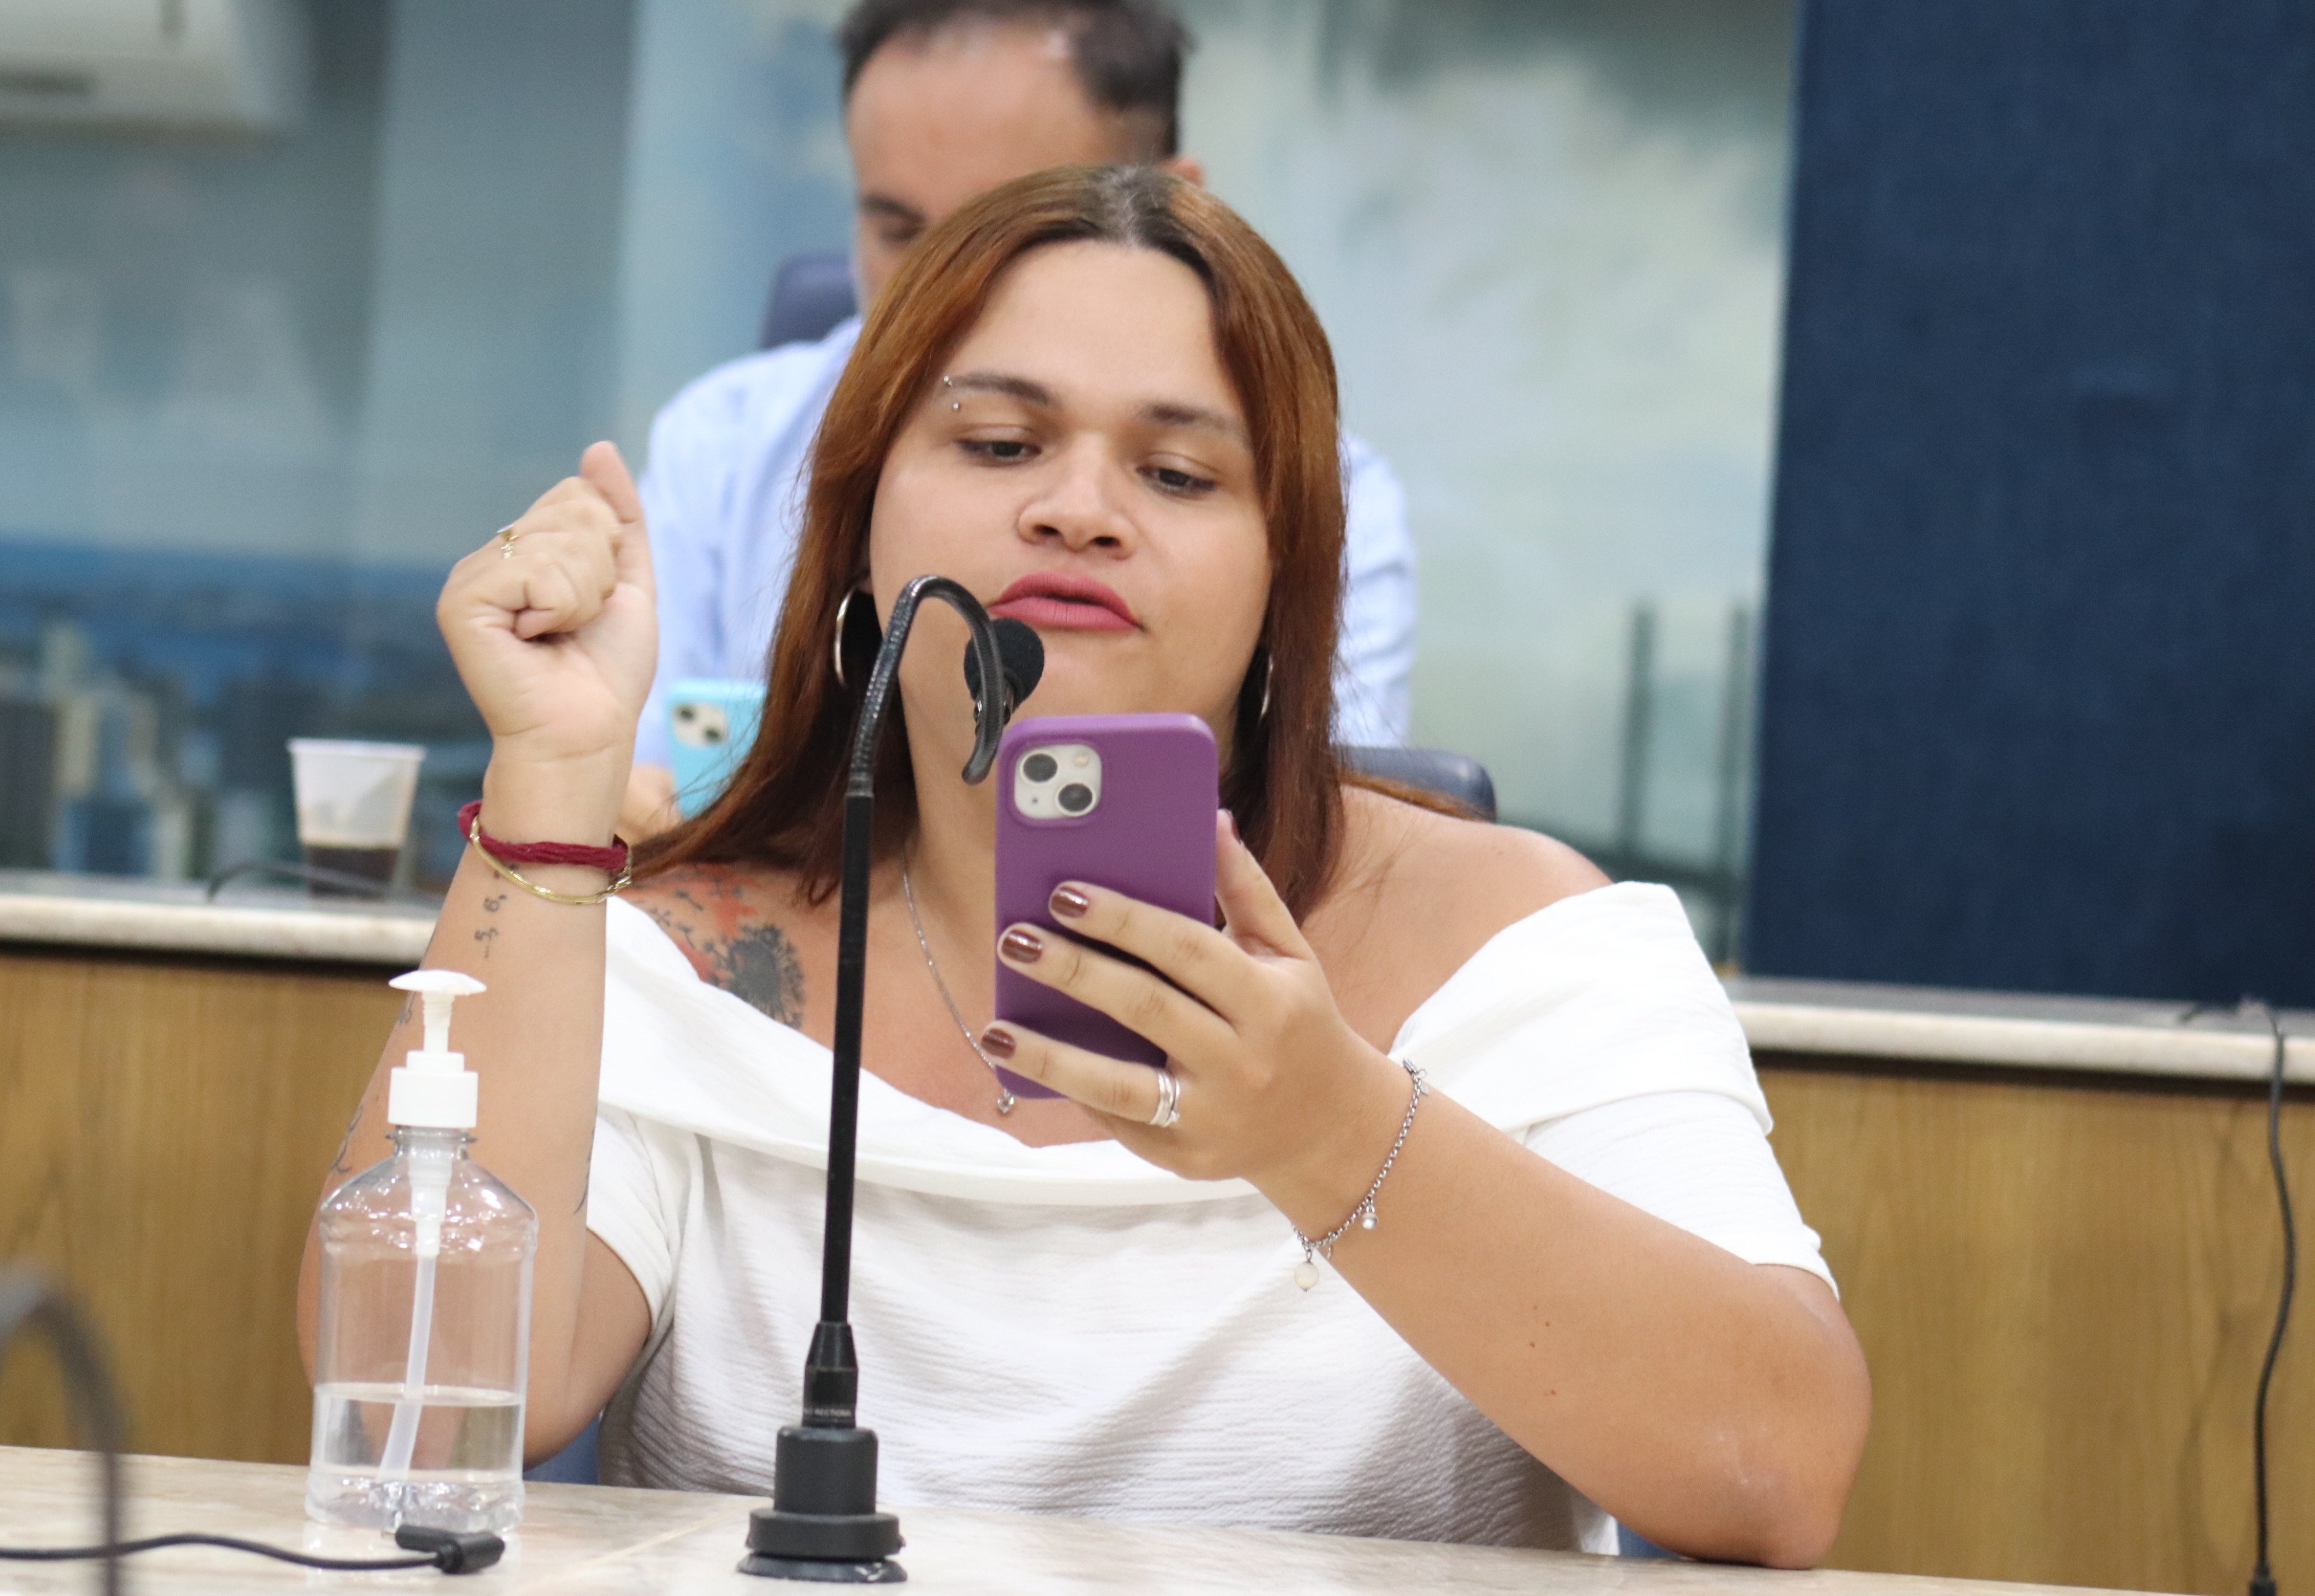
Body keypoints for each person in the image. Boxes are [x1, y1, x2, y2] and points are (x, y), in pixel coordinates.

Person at [305, 165, 1867, 1563]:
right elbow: (418, 1419)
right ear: (859, 523)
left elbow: (1778, 1468)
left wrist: (1329, 1128)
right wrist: (554, 777)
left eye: (1179, 475)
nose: (1077, 510)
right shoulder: (689, 960)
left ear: (1285, 582)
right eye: (1000, 443)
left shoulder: (1526, 940)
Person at [623, 0, 1416, 835]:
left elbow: (1315, 829)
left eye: (1176, 476)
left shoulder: (1325, 489)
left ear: (1162, 207)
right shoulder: (725, 442)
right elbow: (643, 797)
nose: (939, 285)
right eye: (899, 231)